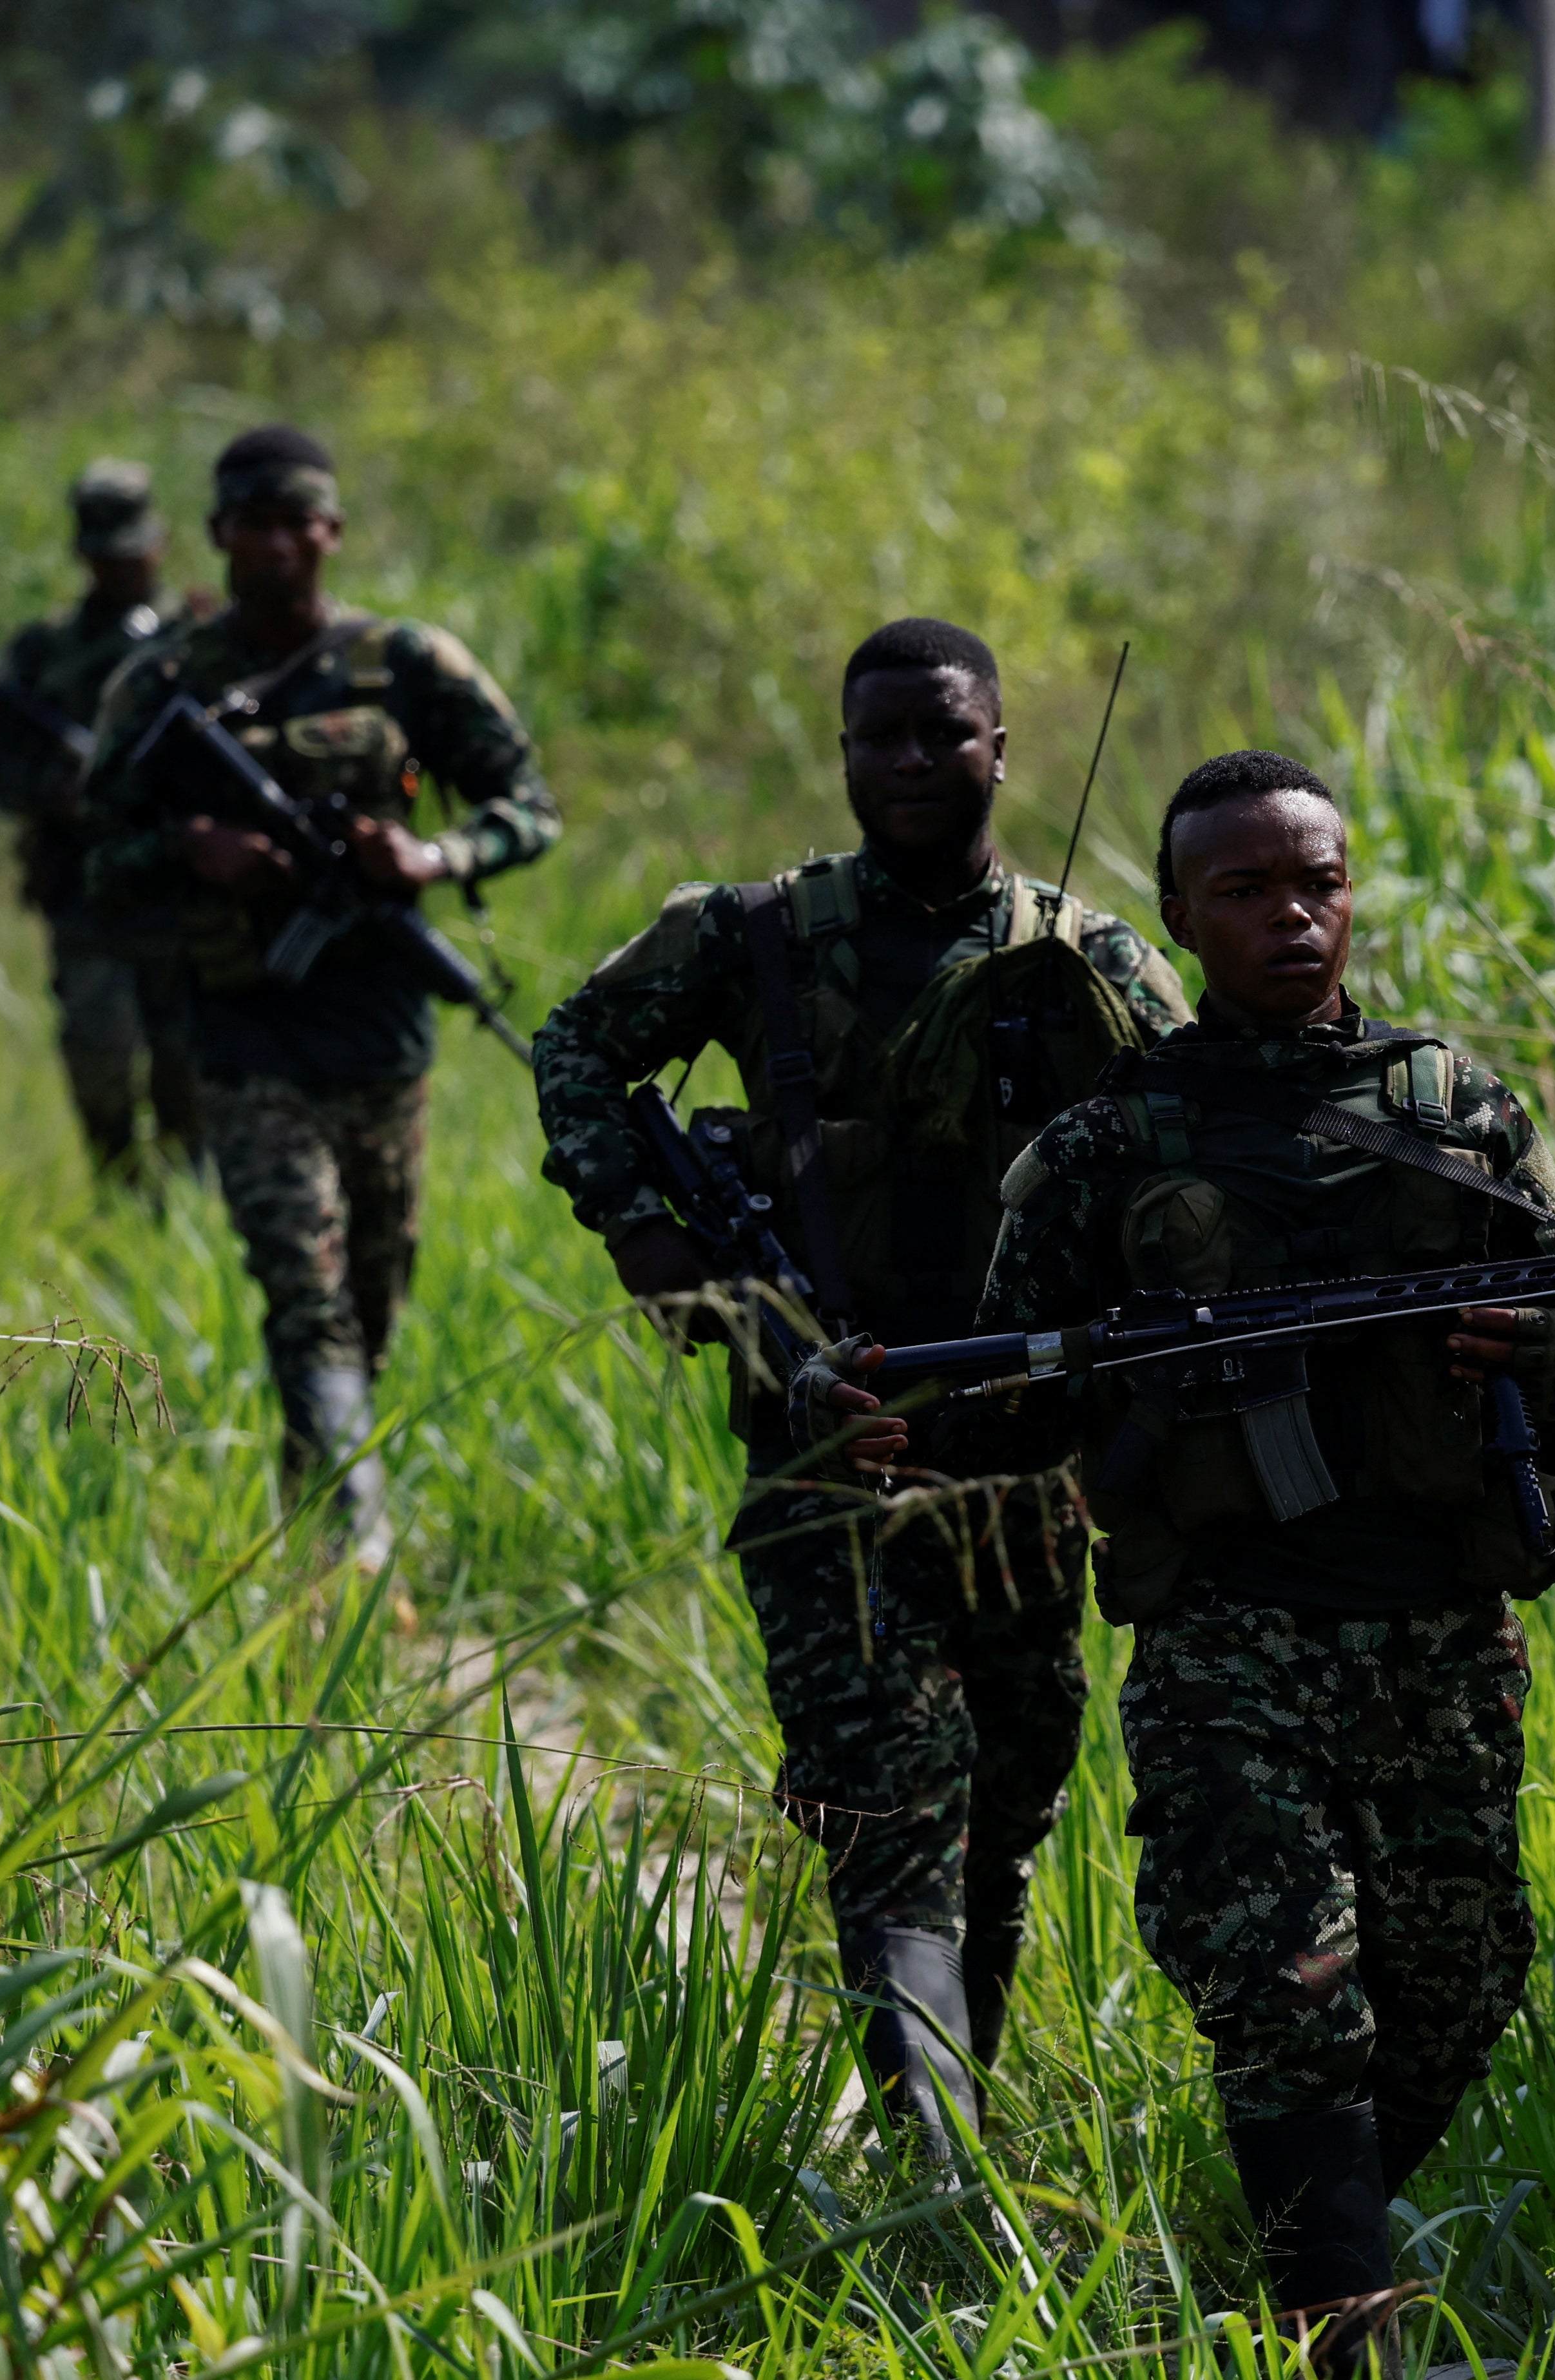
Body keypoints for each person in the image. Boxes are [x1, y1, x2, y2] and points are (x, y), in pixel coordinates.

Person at [822, 749, 1555, 2366]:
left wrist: (1532, 1336)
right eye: (1247, 888)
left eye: (1315, 880)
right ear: (1180, 913)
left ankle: (1283, 2239)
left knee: (1459, 1986)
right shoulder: (1104, 1150)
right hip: (1227, 1641)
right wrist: (910, 1426)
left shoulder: (1452, 1107)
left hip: (1441, 1629)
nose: (1291, 914)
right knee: (1281, 1989)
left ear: (1353, 891)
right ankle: (1340, 2332)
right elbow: (1019, 1389)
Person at [531, 617, 1188, 2152]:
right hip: (825, 1442)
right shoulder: (750, 934)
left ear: (999, 746)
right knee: (892, 1803)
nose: (909, 763)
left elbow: (1188, 1144)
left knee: (1007, 1808)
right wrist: (635, 1224)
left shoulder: (1082, 957)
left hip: (1023, 1454)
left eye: (941, 733)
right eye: (878, 736)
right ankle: (938, 2158)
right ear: (840, 754)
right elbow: (577, 1043)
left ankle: (944, 2117)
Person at [80, 425, 559, 1561]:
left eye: (304, 521)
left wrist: (430, 859)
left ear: (333, 531)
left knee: (369, 1314)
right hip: (243, 1038)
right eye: (258, 522)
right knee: (304, 1291)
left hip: (383, 1037)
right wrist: (191, 848)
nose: (283, 543)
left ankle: (312, 1527)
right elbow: (92, 859)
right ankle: (358, 1548)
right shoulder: (159, 684)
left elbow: (529, 806)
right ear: (220, 533)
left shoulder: (410, 665)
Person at [0, 459, 204, 1178]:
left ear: (161, 544)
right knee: (100, 1064)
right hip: (88, 899)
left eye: (133, 553)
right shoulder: (44, 653)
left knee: (189, 1078)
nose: (122, 570)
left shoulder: (201, 638)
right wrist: (60, 794)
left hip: (186, 893)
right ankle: (123, 1206)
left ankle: (189, 1220)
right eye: (107, 557)